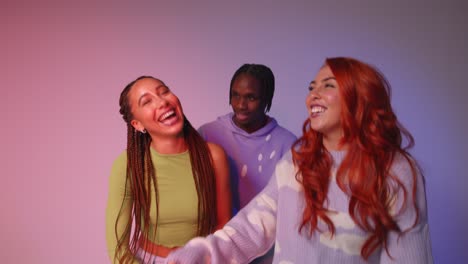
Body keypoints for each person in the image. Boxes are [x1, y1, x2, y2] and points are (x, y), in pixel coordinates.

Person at [165, 57, 433, 263]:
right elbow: (250, 229)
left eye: (328, 86)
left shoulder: (395, 171)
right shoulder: (298, 162)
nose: (313, 95)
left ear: (359, 98)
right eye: (312, 87)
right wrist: (197, 254)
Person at [105, 76, 232, 263]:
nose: (162, 101)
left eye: (164, 91)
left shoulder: (213, 156)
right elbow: (117, 246)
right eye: (147, 101)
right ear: (137, 124)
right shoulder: (128, 164)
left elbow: (223, 227)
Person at [198, 63, 297, 214]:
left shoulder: (289, 144)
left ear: (267, 99)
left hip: (267, 234)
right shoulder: (207, 134)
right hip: (218, 232)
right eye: (235, 94)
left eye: (251, 97)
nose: (240, 104)